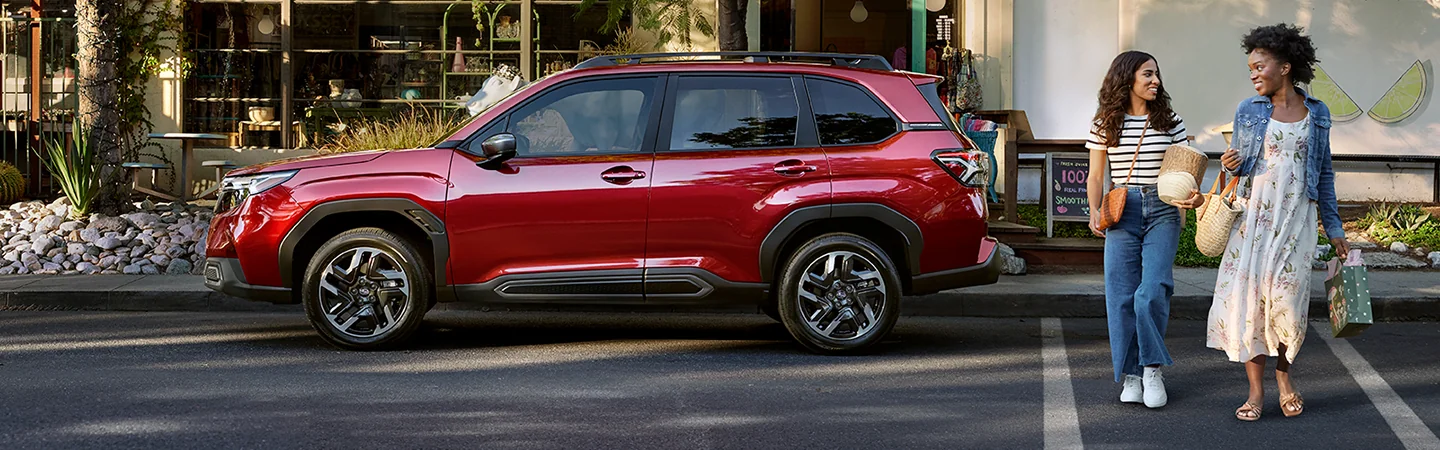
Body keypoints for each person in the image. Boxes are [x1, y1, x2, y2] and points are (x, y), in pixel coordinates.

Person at [1206, 23, 1349, 421]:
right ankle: (1255, 392)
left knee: (1287, 302)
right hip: (1253, 220)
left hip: (1296, 221)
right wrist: (1229, 164)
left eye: (1259, 65)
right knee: (1251, 306)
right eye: (1250, 67)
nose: (1252, 73)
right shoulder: (1247, 110)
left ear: (1285, 67)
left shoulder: (1316, 114)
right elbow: (1238, 168)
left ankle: (1284, 376)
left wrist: (1334, 228)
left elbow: (1324, 174)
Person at [1086, 51, 1205, 409]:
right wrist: (1093, 211)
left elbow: (1185, 170)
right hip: (1123, 208)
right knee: (1121, 296)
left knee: (1152, 290)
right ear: (1127, 78)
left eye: (1157, 75)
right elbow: (1095, 175)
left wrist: (1194, 198)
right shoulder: (1106, 122)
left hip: (1163, 208)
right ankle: (1132, 375)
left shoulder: (1171, 122)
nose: (1155, 81)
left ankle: (1152, 368)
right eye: (1148, 74)